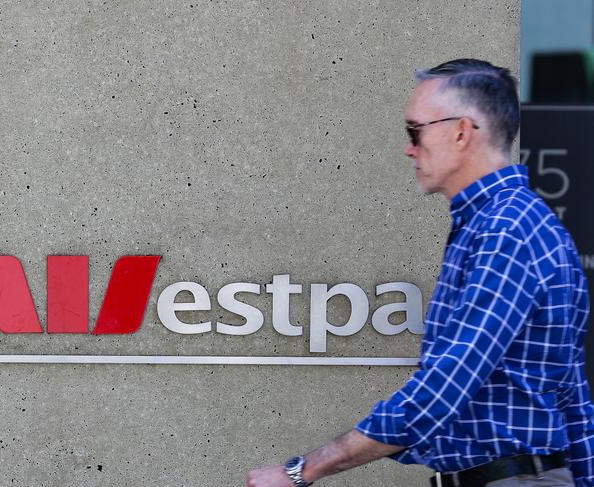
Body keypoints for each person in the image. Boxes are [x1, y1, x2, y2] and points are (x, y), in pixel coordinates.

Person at [246, 59, 594, 487]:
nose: (409, 148)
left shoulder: (507, 231)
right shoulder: (509, 224)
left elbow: (442, 389)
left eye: (415, 131)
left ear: (461, 132)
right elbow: (573, 398)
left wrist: (303, 471)